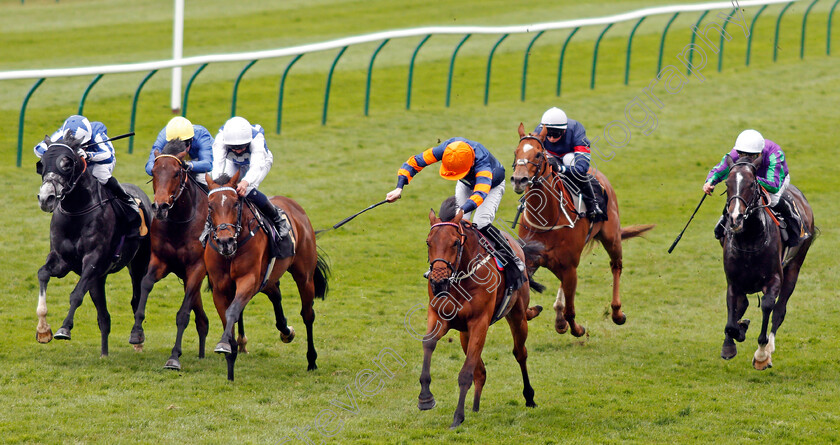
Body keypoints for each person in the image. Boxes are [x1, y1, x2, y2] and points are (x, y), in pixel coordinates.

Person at [385, 137, 524, 292]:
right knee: (456, 226)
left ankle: (513, 258)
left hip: (491, 186)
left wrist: (462, 210)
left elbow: (479, 195)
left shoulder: (483, 164)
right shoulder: (447, 149)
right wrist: (399, 187)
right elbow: (414, 162)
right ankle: (445, 266)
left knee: (481, 222)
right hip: (467, 182)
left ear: (470, 163)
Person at [703, 129, 802, 247]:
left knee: (773, 200)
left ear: (760, 154)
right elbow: (720, 169)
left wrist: (751, 180)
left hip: (774, 181)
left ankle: (793, 222)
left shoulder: (774, 154)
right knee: (737, 196)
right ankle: (725, 219)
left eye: (751, 156)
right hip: (748, 180)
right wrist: (709, 182)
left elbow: (774, 185)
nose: (745, 158)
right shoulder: (736, 154)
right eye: (742, 154)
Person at [34, 115, 140, 221]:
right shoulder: (62, 133)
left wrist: (88, 155)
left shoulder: (97, 131)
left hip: (99, 160)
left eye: (81, 145)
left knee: (101, 174)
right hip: (75, 161)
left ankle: (126, 199)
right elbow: (38, 149)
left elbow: (108, 156)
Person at [209, 116, 288, 240]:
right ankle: (209, 225)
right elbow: (217, 165)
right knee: (222, 193)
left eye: (242, 147)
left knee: (248, 191)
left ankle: (278, 219)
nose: (238, 151)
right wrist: (219, 186)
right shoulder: (220, 140)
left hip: (261, 162)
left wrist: (245, 182)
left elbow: (257, 165)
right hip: (234, 163)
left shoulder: (257, 138)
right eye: (234, 147)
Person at [534, 107, 606, 222]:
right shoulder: (539, 131)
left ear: (564, 131)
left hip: (571, 156)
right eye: (548, 134)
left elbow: (582, 168)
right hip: (550, 155)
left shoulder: (577, 131)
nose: (551, 139)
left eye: (555, 134)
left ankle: (593, 203)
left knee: (568, 159)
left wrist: (561, 168)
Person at [145, 116, 213, 187]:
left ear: (191, 139)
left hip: (203, 160)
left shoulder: (201, 135)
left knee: (204, 179)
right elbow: (149, 166)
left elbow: (208, 165)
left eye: (184, 145)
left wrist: (186, 165)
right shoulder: (163, 137)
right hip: (174, 161)